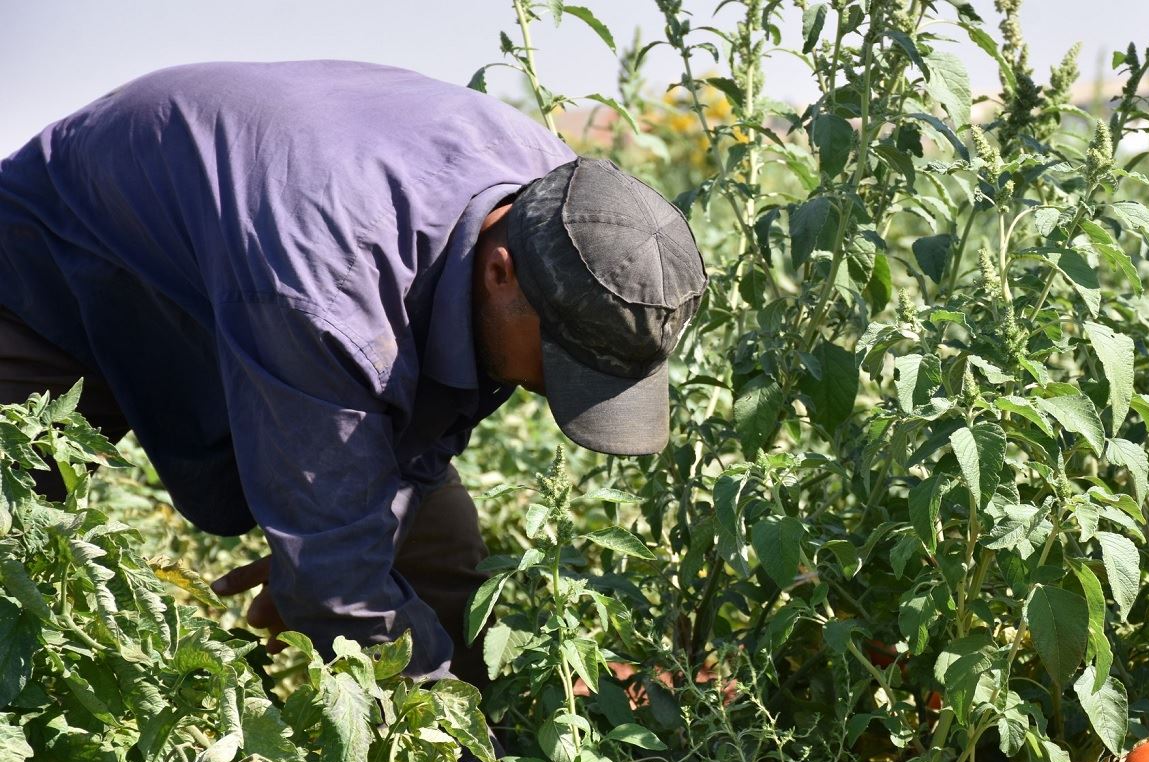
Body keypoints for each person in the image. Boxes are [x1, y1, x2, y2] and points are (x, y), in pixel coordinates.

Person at [0, 60, 707, 685]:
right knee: (14, 523)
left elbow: (423, 437)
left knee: (438, 546)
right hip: (61, 250)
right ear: (499, 271)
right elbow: (341, 592)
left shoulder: (558, 208)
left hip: (248, 249)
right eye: (563, 363)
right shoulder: (329, 296)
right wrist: (450, 742)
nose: (558, 387)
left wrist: (333, 551)